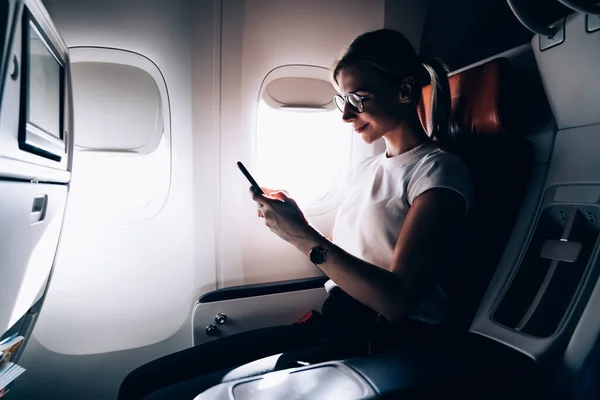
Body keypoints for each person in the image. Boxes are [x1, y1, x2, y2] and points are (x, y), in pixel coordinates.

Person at [117, 28, 473, 400]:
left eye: (357, 98)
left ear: (403, 90)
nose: (347, 114)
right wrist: (297, 224)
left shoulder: (438, 172)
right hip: (331, 324)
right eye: (342, 100)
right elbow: (346, 260)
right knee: (139, 383)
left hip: (379, 339)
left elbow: (396, 301)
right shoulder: (367, 170)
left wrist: (302, 237)